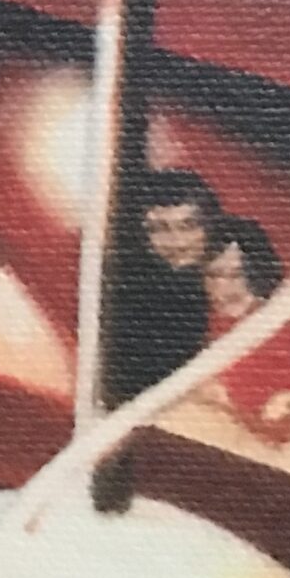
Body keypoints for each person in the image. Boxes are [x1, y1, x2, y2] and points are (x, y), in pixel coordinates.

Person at [196, 218, 290, 443]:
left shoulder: (279, 326)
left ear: (254, 273)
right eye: (213, 274)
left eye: (235, 275)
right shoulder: (202, 320)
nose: (222, 286)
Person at [104, 170, 221, 404]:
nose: (177, 242)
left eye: (189, 226)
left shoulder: (237, 282)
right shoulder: (134, 305)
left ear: (210, 227)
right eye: (159, 229)